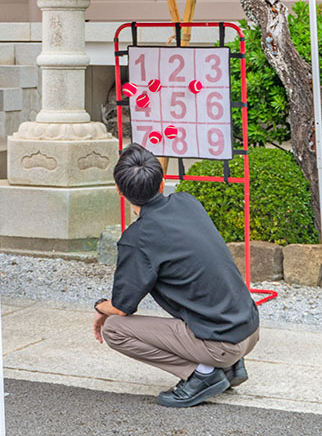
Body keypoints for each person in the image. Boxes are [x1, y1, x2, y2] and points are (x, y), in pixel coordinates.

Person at [93, 144, 260, 408]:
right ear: (161, 184)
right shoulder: (187, 202)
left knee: (114, 330)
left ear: (119, 190)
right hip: (249, 328)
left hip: (223, 343)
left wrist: (99, 307)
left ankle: (204, 374)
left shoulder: (137, 240)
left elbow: (121, 308)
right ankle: (229, 366)